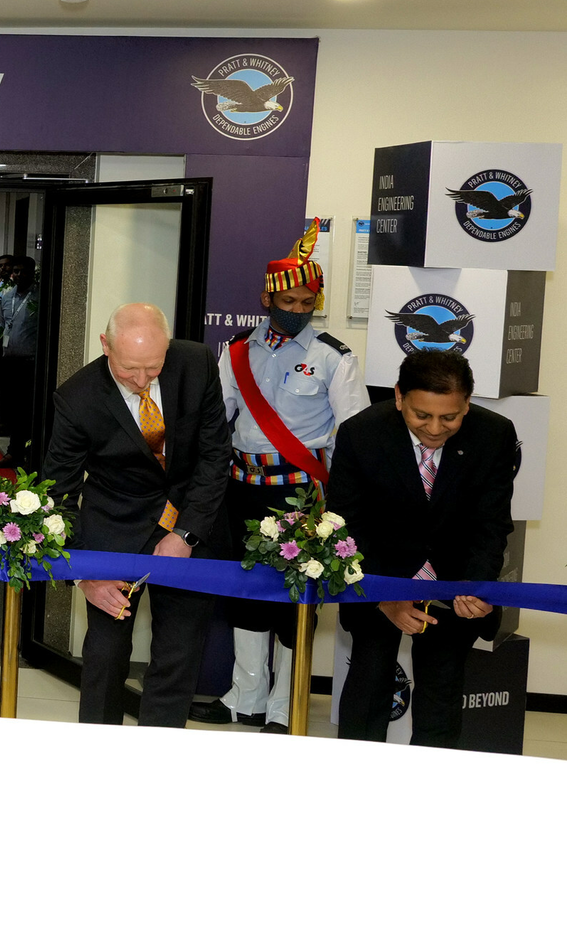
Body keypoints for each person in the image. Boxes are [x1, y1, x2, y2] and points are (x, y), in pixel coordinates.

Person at [190, 220, 364, 734]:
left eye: (306, 303)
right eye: (287, 302)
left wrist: (336, 505)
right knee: (246, 594)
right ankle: (246, 696)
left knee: (293, 599)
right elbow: (216, 419)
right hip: (242, 489)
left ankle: (286, 706)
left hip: (302, 496)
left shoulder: (335, 357)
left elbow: (351, 437)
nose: (296, 312)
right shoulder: (237, 351)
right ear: (268, 299)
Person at [45, 303, 229, 727]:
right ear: (105, 345)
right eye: (130, 369)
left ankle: (157, 757)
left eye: (153, 367)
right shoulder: (78, 398)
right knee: (105, 656)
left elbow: (215, 455)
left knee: (177, 654)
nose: (143, 381)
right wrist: (84, 573)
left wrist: (185, 533)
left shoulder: (197, 363)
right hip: (114, 527)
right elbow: (59, 492)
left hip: (191, 520)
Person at [330, 351, 517, 747]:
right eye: (421, 415)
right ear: (399, 397)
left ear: (467, 402)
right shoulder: (360, 434)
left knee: (441, 701)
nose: (435, 428)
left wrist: (476, 584)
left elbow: (492, 523)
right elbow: (348, 525)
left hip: (453, 582)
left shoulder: (494, 434)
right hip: (378, 578)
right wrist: (385, 598)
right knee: (366, 692)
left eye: (450, 417)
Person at [0, 255, 39, 469]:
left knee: (28, 412)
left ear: (31, 272)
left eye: (22, 271)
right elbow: (2, 325)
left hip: (31, 363)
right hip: (9, 361)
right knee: (11, 409)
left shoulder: (39, 296)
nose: (18, 275)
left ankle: (28, 454)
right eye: (15, 271)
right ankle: (13, 453)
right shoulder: (7, 297)